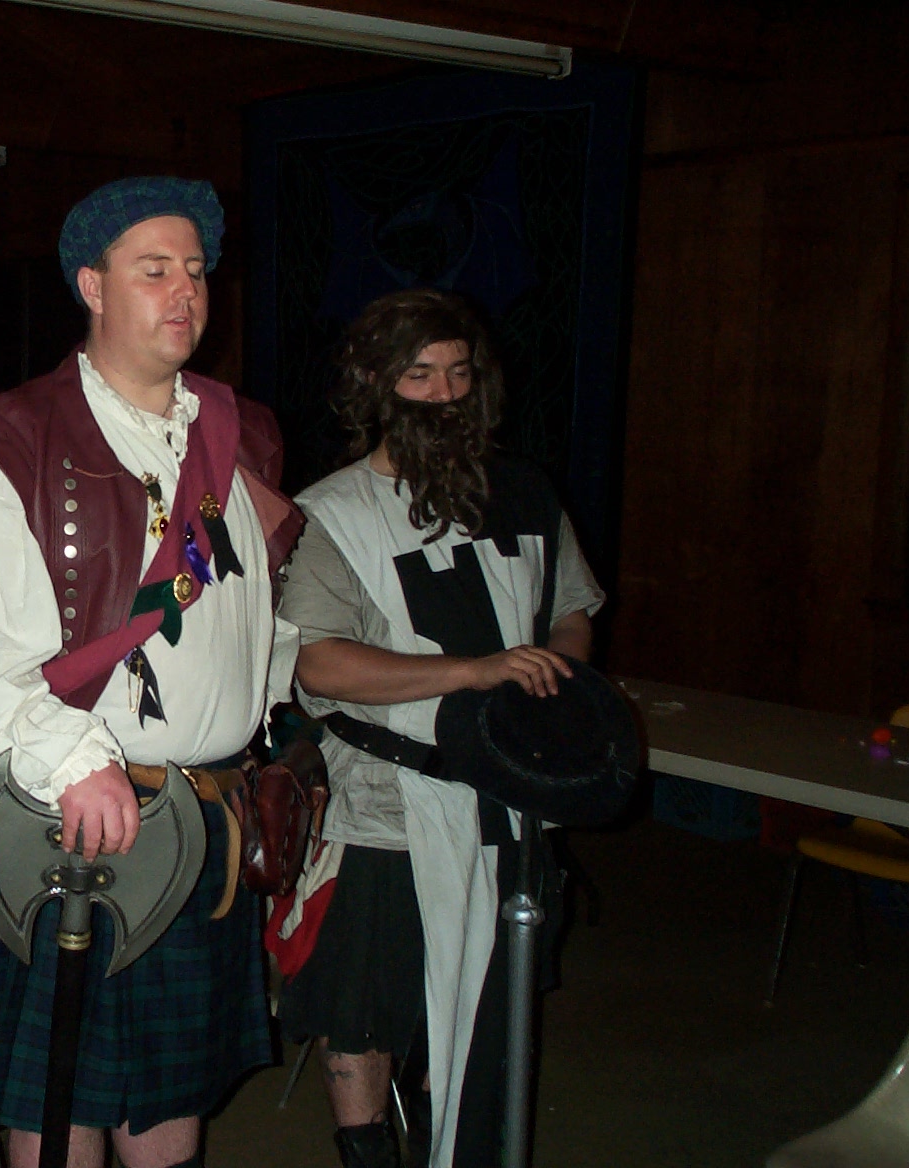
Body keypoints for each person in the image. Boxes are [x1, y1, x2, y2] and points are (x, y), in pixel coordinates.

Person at [0, 176, 303, 1168]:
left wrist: (274, 722)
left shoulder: (240, 435)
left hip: (206, 820)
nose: (185, 292)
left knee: (170, 1100)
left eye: (195, 271)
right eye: (153, 270)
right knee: (62, 1112)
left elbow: (258, 620)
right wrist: (69, 761)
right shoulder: (6, 441)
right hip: (68, 820)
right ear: (91, 286)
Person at [272, 288, 605, 1168]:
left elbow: (570, 609)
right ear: (376, 384)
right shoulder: (333, 513)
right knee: (365, 1003)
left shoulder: (524, 493)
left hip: (508, 802)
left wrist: (551, 682)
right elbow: (319, 664)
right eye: (419, 374)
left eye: (458, 373)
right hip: (390, 806)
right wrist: (474, 672)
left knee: (485, 1008)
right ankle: (367, 1151)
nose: (443, 394)